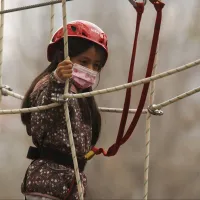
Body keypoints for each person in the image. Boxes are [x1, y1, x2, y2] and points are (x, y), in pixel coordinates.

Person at [20, 20, 108, 200]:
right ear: (62, 58)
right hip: (47, 185)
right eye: (84, 61)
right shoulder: (49, 85)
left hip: (69, 185)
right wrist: (58, 82)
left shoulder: (82, 96)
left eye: (96, 65)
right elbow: (45, 114)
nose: (90, 70)